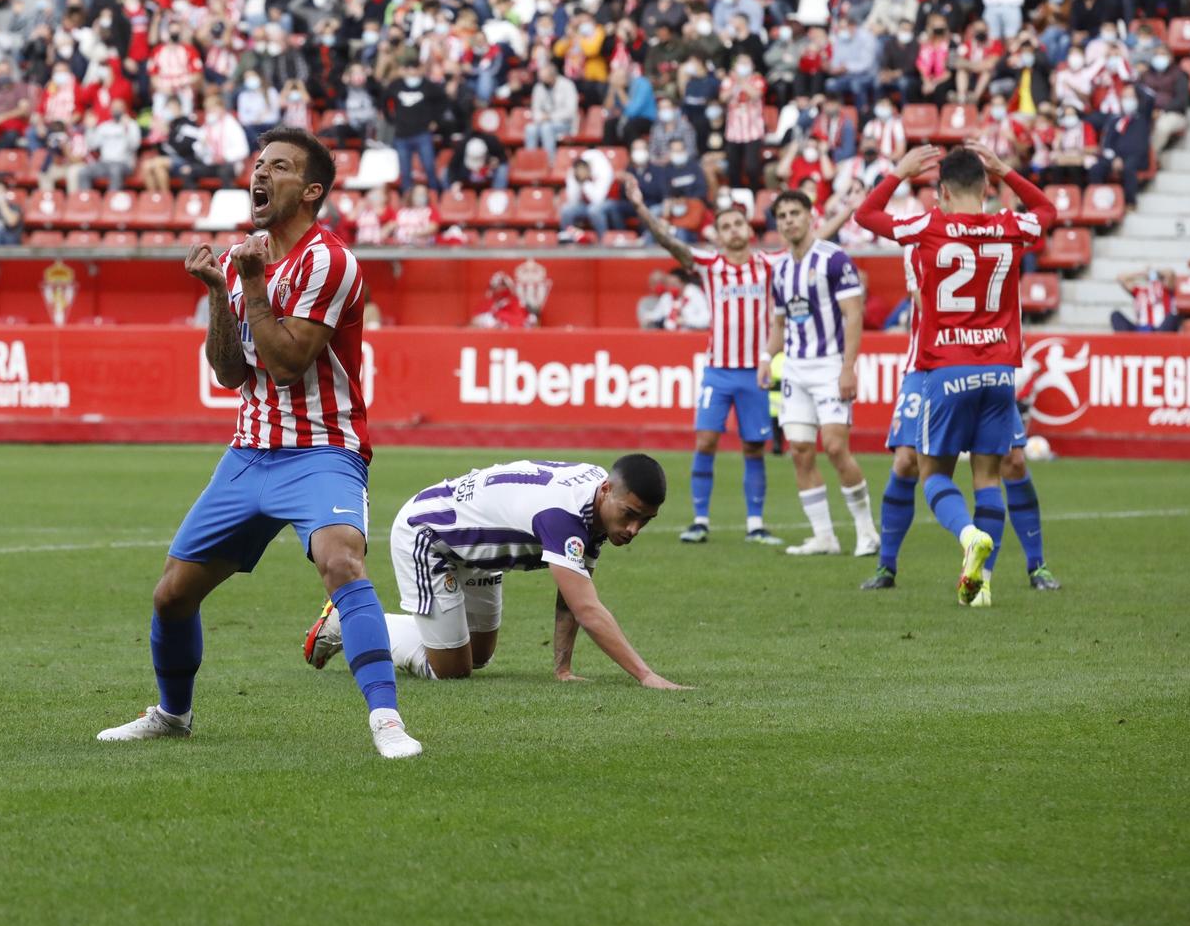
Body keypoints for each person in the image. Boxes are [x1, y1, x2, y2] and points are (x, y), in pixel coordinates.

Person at [98, 127, 419, 759]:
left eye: (279, 166)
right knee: (172, 593)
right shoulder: (246, 256)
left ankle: (387, 721)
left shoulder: (328, 260)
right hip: (248, 452)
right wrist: (221, 292)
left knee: (340, 561)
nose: (260, 175)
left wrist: (249, 285)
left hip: (323, 449)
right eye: (258, 165)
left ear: (312, 190)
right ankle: (172, 713)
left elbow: (289, 363)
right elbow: (230, 373)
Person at [854, 143, 1058, 606]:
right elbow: (1047, 209)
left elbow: (866, 217)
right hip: (1000, 375)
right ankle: (981, 583)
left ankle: (968, 537)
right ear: (988, 187)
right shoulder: (1011, 226)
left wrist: (898, 173)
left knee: (933, 474)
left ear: (941, 191)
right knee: (989, 477)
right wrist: (1008, 170)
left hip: (945, 369)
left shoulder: (929, 225)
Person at [302, 455, 687, 687]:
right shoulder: (564, 515)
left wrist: (562, 670)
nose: (634, 530)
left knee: (479, 657)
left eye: (645, 521)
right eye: (630, 516)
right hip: (431, 535)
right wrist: (645, 675)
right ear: (606, 491)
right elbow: (586, 608)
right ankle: (344, 623)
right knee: (451, 672)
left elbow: (573, 593)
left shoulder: (599, 500)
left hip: (480, 552)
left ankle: (429, 631)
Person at [620, 172, 780, 545]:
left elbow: (811, 244)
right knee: (706, 441)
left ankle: (755, 523)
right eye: (726, 225)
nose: (734, 230)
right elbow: (669, 241)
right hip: (718, 370)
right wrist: (642, 209)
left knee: (754, 447)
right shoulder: (710, 264)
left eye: (739, 222)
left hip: (754, 370)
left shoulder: (769, 265)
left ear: (748, 229)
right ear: (719, 235)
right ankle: (700, 520)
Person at [763, 190, 878, 558]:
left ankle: (867, 532)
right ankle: (824, 536)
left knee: (834, 446)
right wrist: (767, 357)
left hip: (830, 365)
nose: (789, 220)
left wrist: (848, 368)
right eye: (782, 215)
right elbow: (779, 322)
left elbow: (854, 315)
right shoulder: (781, 269)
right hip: (795, 368)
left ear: (810, 216)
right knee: (800, 450)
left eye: (795, 213)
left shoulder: (834, 259)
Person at [1112, 270, 1180, 334]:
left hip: (1160, 330)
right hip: (1140, 330)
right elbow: (1121, 277)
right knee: (1115, 315)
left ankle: (1157, 341)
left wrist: (1154, 272)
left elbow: (1170, 274)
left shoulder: (1165, 289)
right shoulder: (1139, 291)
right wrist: (1143, 273)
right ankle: (1127, 342)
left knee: (1174, 315)